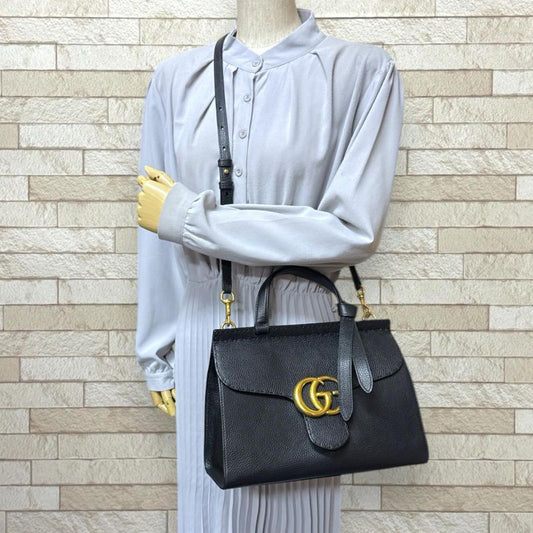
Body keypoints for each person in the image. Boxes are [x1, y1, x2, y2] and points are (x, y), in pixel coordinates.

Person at [135, 6, 404, 531]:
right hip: (203, 328)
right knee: (211, 515)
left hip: (305, 335)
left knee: (299, 510)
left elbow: (352, 229)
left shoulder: (363, 72)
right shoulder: (175, 80)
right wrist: (157, 350)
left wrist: (194, 220)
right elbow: (156, 230)